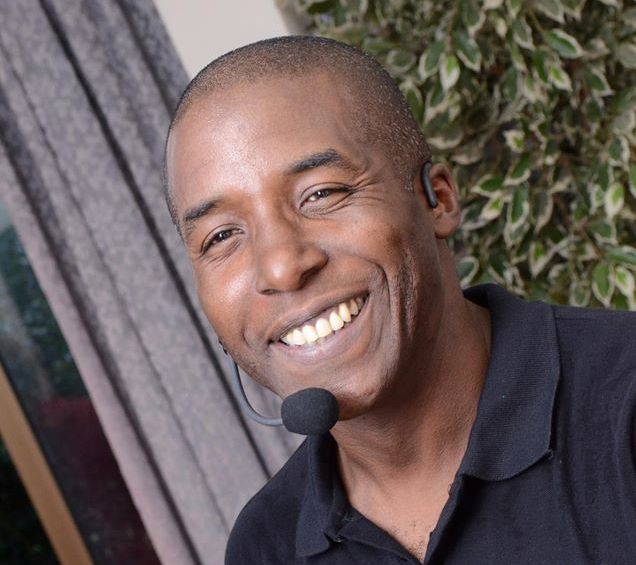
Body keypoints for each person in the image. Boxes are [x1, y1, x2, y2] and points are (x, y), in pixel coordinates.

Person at [164, 36, 636, 564]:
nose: (281, 267)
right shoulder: (264, 546)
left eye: (321, 194)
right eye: (221, 237)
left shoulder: (624, 403)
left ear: (438, 199)